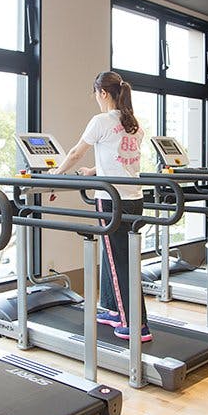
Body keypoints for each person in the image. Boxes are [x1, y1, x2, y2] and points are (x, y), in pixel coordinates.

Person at [49, 71, 151, 342]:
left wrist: (56, 175)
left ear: (103, 93)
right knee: (116, 256)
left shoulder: (101, 121)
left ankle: (136, 324)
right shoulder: (133, 124)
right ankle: (113, 310)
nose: (96, 98)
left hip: (111, 199)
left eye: (95, 93)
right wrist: (94, 171)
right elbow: (122, 159)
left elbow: (75, 152)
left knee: (120, 262)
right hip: (133, 197)